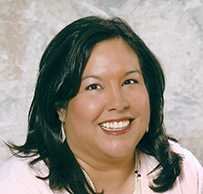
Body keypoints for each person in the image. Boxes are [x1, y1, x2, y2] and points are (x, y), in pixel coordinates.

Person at [0, 16, 202, 194]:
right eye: (94, 86)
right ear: (60, 106)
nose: (119, 103)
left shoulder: (183, 169)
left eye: (129, 82)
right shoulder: (19, 186)